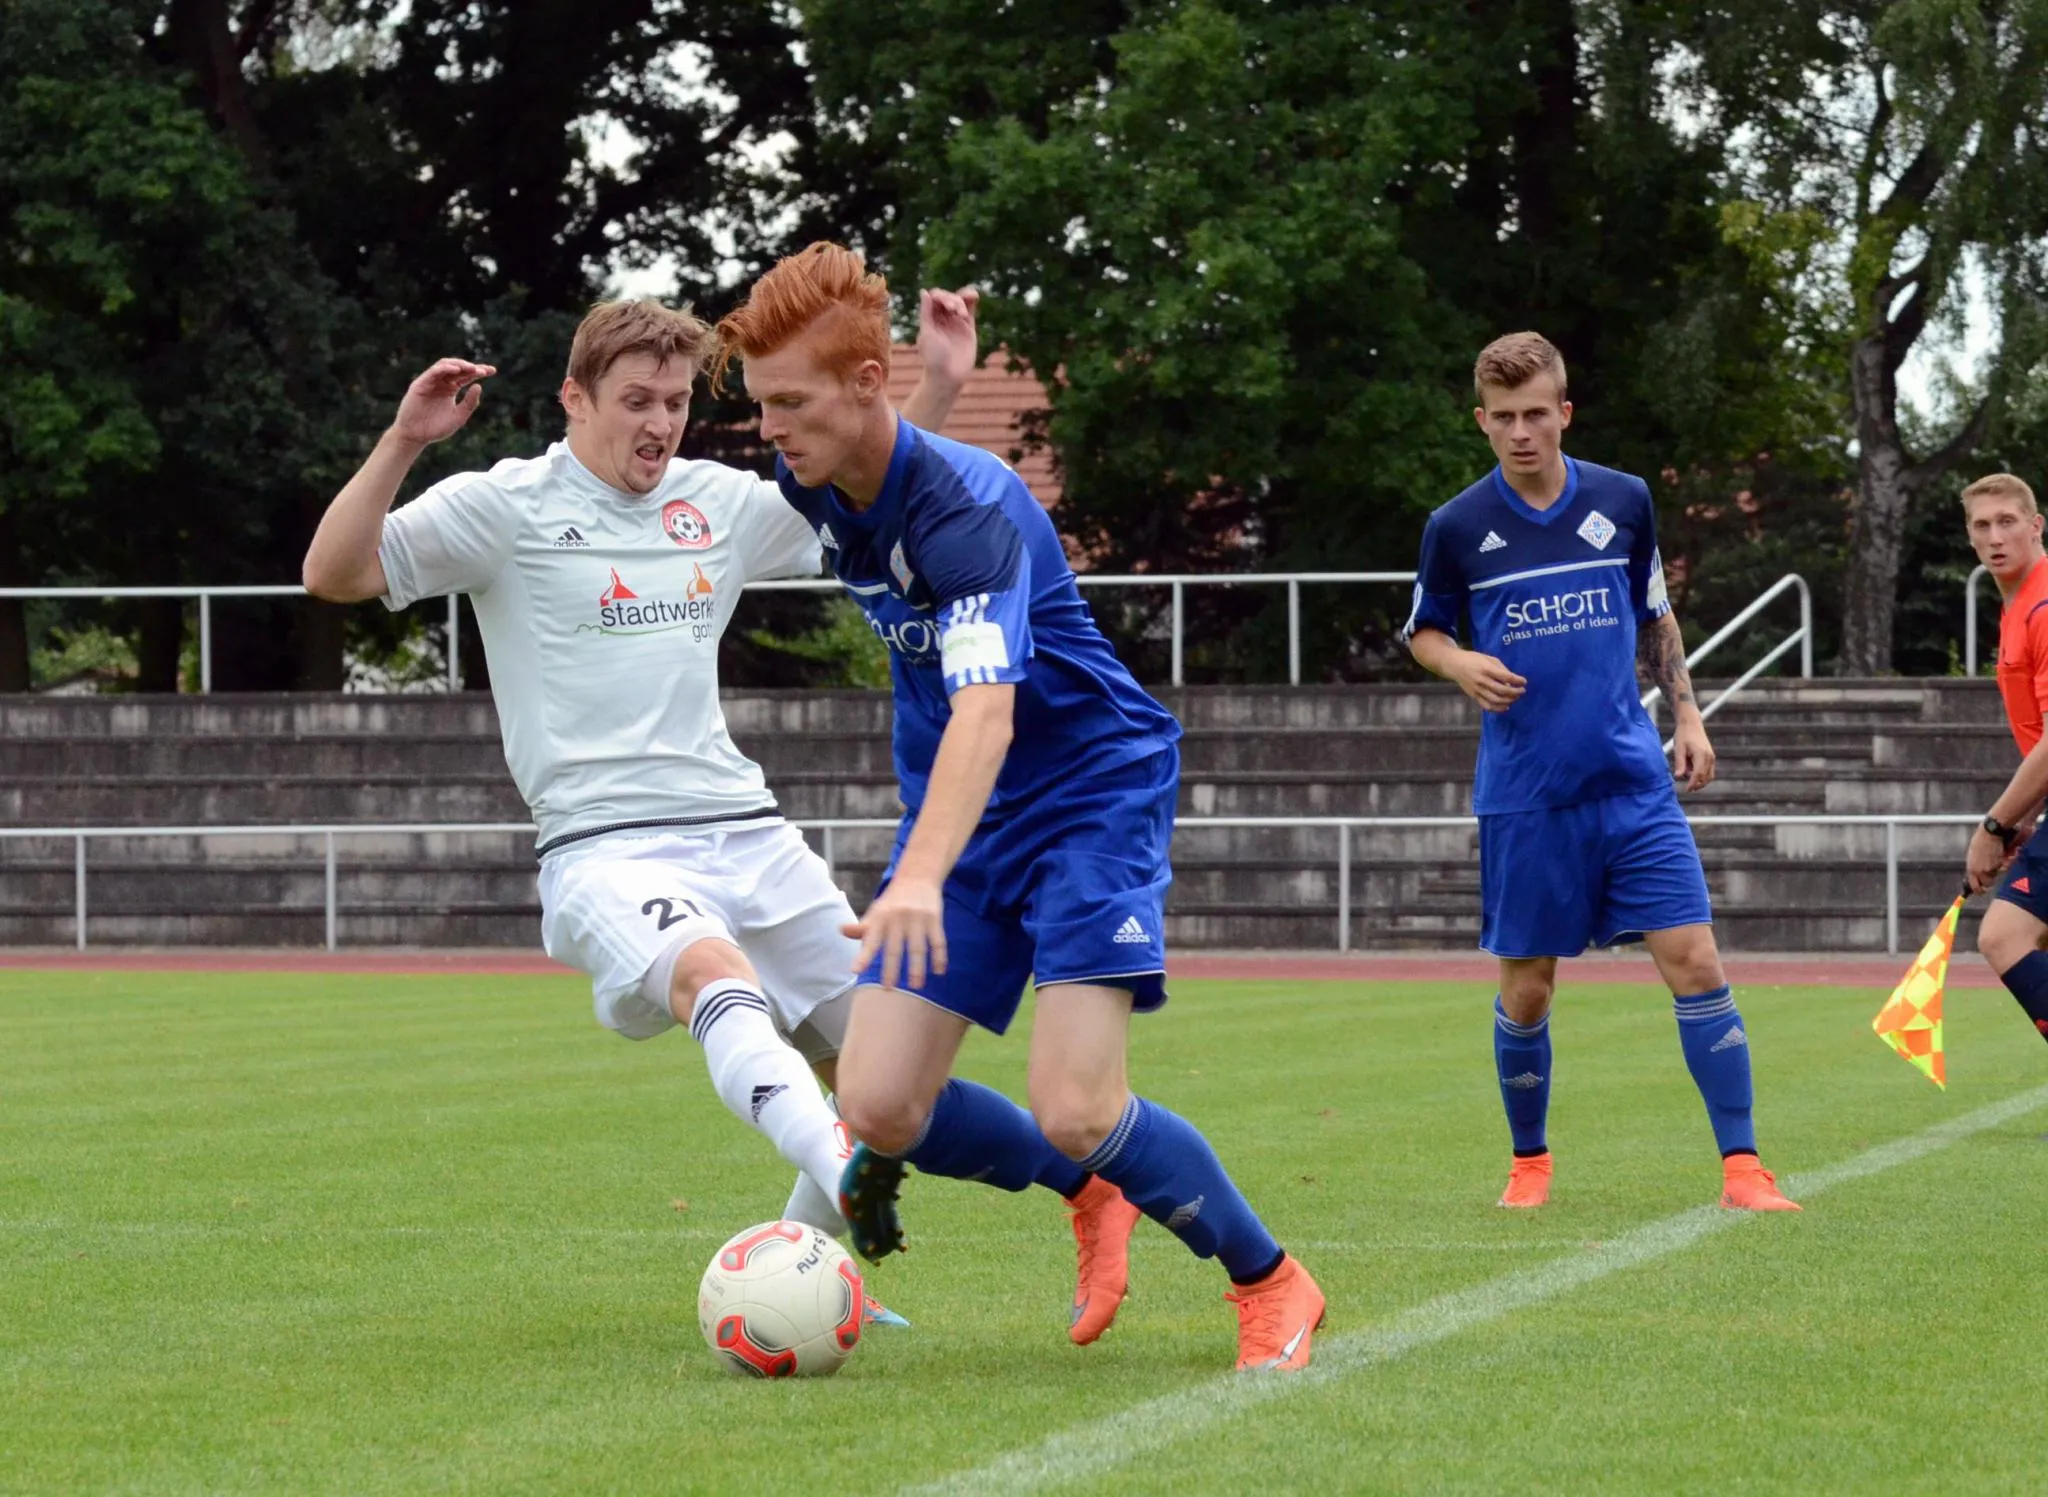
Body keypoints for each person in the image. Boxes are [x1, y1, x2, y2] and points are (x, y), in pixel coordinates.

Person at [300, 291, 981, 1326]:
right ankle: (840, 1169)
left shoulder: (718, 501)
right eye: (635, 401)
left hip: (746, 829)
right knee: (716, 974)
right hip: (606, 844)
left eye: (674, 402)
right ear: (575, 398)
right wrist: (405, 440)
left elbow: (868, 485)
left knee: (890, 1073)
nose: (659, 423)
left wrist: (939, 385)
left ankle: (799, 1269)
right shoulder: (504, 505)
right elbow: (333, 573)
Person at [712, 242, 1327, 1373]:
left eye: (788, 402)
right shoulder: (822, 478)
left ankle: (1269, 1278)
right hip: (969, 812)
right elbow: (891, 468)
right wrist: (939, 384)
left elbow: (986, 713)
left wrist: (916, 874)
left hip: (1089, 791)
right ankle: (1092, 1192)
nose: (770, 429)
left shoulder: (976, 511)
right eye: (761, 403)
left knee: (1077, 1104)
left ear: (860, 384)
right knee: (877, 1105)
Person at [1401, 330, 1800, 1214]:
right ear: (1481, 421)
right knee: (1527, 989)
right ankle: (1529, 1162)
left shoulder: (1623, 499)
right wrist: (1458, 662)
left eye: (1536, 413)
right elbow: (1424, 630)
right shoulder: (1456, 526)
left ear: (1565, 412)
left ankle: (1744, 1169)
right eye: (1503, 417)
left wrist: (1687, 713)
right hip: (1526, 796)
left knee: (1696, 960)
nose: (1521, 431)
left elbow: (1654, 612)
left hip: (1632, 783)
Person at [1957, 472, 2048, 1042]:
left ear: (2036, 526)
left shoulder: (2044, 605)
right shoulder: (2019, 606)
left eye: (2007, 522)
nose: (1995, 537)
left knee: (2005, 936)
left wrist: (1994, 827)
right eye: (1982, 525)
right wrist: (2025, 817)